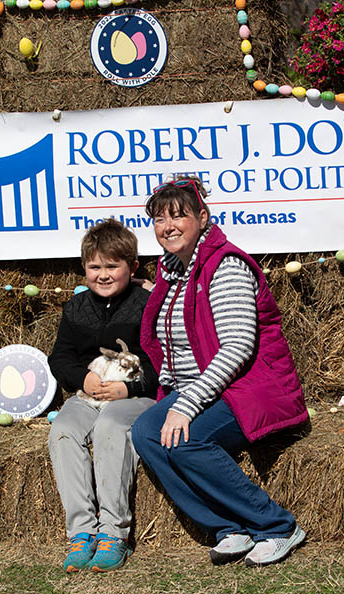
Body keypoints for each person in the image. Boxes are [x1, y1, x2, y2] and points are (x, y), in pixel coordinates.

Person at [131, 176, 308, 567]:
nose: (168, 226)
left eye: (178, 216)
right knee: (145, 434)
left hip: (248, 384)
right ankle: (229, 526)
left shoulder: (224, 265)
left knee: (185, 440)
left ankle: (277, 525)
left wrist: (186, 404)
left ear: (203, 217)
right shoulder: (173, 273)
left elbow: (238, 347)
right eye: (159, 219)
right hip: (205, 387)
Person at [48, 219, 158, 573]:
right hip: (88, 394)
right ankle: (81, 533)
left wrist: (131, 388)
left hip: (134, 396)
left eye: (113, 266)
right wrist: (83, 377)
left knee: (111, 426)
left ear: (132, 267)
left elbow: (167, 359)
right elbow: (60, 358)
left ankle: (114, 533)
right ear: (84, 269)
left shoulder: (148, 305)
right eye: (95, 267)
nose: (104, 274)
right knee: (62, 430)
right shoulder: (75, 309)